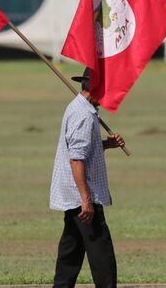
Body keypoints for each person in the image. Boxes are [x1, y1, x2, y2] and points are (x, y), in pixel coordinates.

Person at [49, 68, 125, 288]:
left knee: (70, 252)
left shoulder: (81, 108)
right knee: (101, 252)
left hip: (73, 194)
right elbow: (77, 160)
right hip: (82, 195)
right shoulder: (83, 115)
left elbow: (84, 151)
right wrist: (86, 199)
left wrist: (107, 145)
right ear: (94, 86)